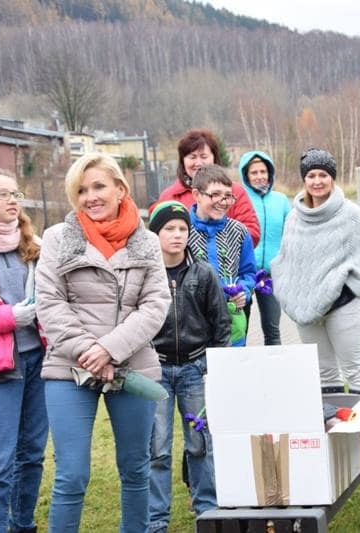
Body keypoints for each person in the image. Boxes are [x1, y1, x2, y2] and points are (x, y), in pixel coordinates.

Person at [36, 153, 171, 532]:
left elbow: (155, 304)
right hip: (69, 367)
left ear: (120, 189)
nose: (90, 197)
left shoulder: (146, 242)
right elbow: (49, 302)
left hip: (132, 365)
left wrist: (110, 350)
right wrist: (88, 352)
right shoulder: (57, 239)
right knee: (71, 474)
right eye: (81, 190)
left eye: (98, 186)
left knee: (136, 469)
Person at [0, 166, 47, 533]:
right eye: (1, 194)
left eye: (15, 193)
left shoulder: (33, 244)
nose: (12, 200)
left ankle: (23, 525)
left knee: (32, 456)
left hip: (39, 362)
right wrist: (10, 317)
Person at [147, 201, 230, 532]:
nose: (177, 235)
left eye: (183, 228)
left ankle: (206, 508)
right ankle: (156, 518)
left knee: (199, 442)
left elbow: (220, 323)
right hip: (156, 371)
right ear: (155, 234)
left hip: (195, 369)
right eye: (169, 229)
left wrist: (214, 365)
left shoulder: (203, 273)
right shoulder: (146, 274)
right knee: (157, 447)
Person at [272, 148, 360, 395]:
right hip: (307, 310)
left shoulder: (351, 214)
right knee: (324, 374)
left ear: (332, 178)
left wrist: (346, 291)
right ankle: (332, 421)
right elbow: (287, 260)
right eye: (311, 176)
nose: (317, 181)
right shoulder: (294, 218)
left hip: (346, 305)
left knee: (354, 370)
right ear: (304, 179)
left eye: (323, 175)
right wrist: (289, 294)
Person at [186, 164, 257, 346]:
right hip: (192, 328)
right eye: (215, 194)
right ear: (197, 195)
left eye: (227, 196)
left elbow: (248, 272)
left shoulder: (239, 232)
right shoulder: (182, 230)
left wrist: (243, 290)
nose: (223, 202)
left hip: (231, 326)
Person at [154, 128, 261, 247]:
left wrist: (218, 248)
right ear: (183, 161)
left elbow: (252, 233)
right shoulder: (169, 196)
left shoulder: (235, 191)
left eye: (204, 156)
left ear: (214, 158)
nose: (198, 163)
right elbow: (157, 235)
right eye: (192, 157)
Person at [239, 150, 290, 345]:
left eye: (263, 171)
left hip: (271, 275)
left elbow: (290, 235)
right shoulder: (240, 199)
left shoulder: (281, 200)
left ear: (270, 173)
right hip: (243, 274)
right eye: (254, 172)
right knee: (239, 330)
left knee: (273, 330)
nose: (259, 176)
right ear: (246, 175)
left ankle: (275, 363)